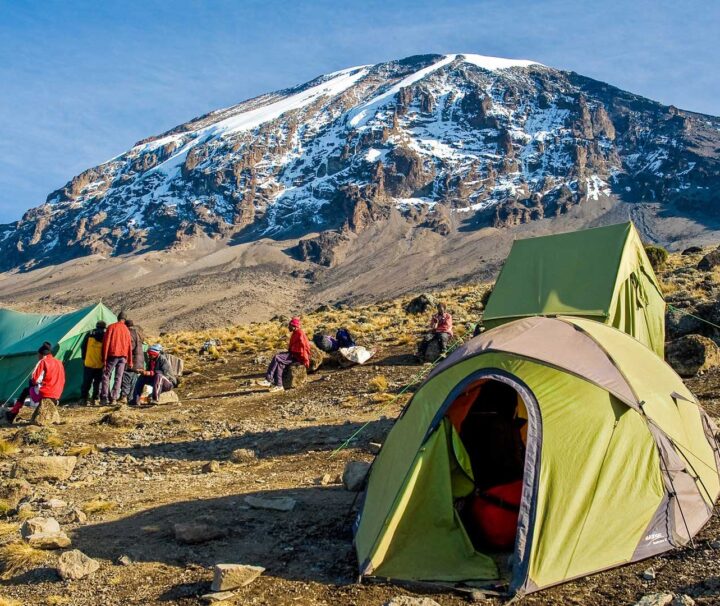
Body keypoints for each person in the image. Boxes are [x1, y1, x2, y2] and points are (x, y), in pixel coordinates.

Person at [4, 342, 66, 424]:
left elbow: (34, 379)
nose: (38, 357)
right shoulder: (59, 362)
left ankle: (12, 414)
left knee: (25, 391)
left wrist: (32, 385)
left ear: (42, 355)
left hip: (45, 393)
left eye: (38, 355)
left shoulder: (43, 362)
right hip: (57, 394)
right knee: (30, 389)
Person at [260, 317, 311, 392]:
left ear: (294, 326)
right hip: (294, 354)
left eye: (290, 325)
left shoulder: (300, 333)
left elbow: (304, 347)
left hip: (297, 357)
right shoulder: (295, 333)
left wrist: (302, 359)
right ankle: (279, 385)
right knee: (280, 364)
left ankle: (268, 379)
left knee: (277, 357)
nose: (288, 327)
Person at [100, 311, 133, 405]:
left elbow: (106, 344)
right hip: (123, 357)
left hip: (112, 355)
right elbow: (129, 346)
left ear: (117, 318)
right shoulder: (126, 330)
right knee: (118, 377)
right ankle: (114, 398)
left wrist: (104, 358)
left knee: (106, 375)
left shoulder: (111, 327)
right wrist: (130, 360)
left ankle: (104, 397)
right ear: (125, 319)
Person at [80, 321, 106, 405]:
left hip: (89, 362)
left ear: (96, 326)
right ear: (104, 327)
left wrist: (84, 358)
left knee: (86, 382)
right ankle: (95, 398)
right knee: (97, 383)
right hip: (100, 363)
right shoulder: (105, 335)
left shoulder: (89, 334)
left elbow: (83, 346)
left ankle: (83, 399)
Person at [120, 319, 145, 403]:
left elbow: (130, 347)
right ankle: (132, 398)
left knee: (126, 378)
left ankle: (124, 396)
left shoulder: (130, 333)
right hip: (139, 361)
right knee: (133, 380)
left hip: (132, 360)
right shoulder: (138, 333)